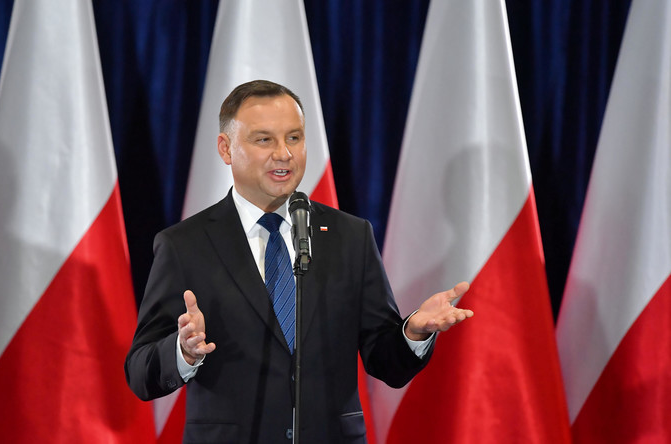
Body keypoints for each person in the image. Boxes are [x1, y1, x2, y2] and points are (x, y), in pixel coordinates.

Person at [125, 80, 473, 443]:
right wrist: (182, 351)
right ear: (226, 148)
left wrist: (413, 332)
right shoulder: (185, 245)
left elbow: (386, 362)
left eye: (294, 137)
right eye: (264, 140)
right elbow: (139, 373)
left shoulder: (350, 236)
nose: (284, 154)